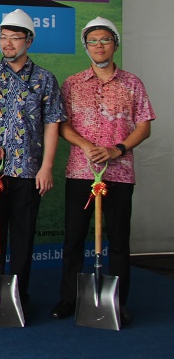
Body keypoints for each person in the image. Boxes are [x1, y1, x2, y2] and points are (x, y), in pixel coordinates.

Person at [50, 17, 154, 326]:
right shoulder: (72, 83)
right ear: (86, 47)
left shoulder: (132, 83)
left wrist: (115, 150)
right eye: (93, 41)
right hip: (81, 171)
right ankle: (69, 298)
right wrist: (85, 145)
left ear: (115, 44)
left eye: (105, 40)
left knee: (119, 240)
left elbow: (144, 126)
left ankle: (118, 302)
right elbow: (62, 126)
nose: (99, 46)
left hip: (119, 172)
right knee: (74, 238)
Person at [0, 8, 66, 312]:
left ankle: (18, 294)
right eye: (3, 37)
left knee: (23, 234)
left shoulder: (45, 79)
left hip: (28, 171)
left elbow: (52, 124)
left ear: (29, 41)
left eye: (15, 38)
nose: (7, 43)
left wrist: (46, 167)